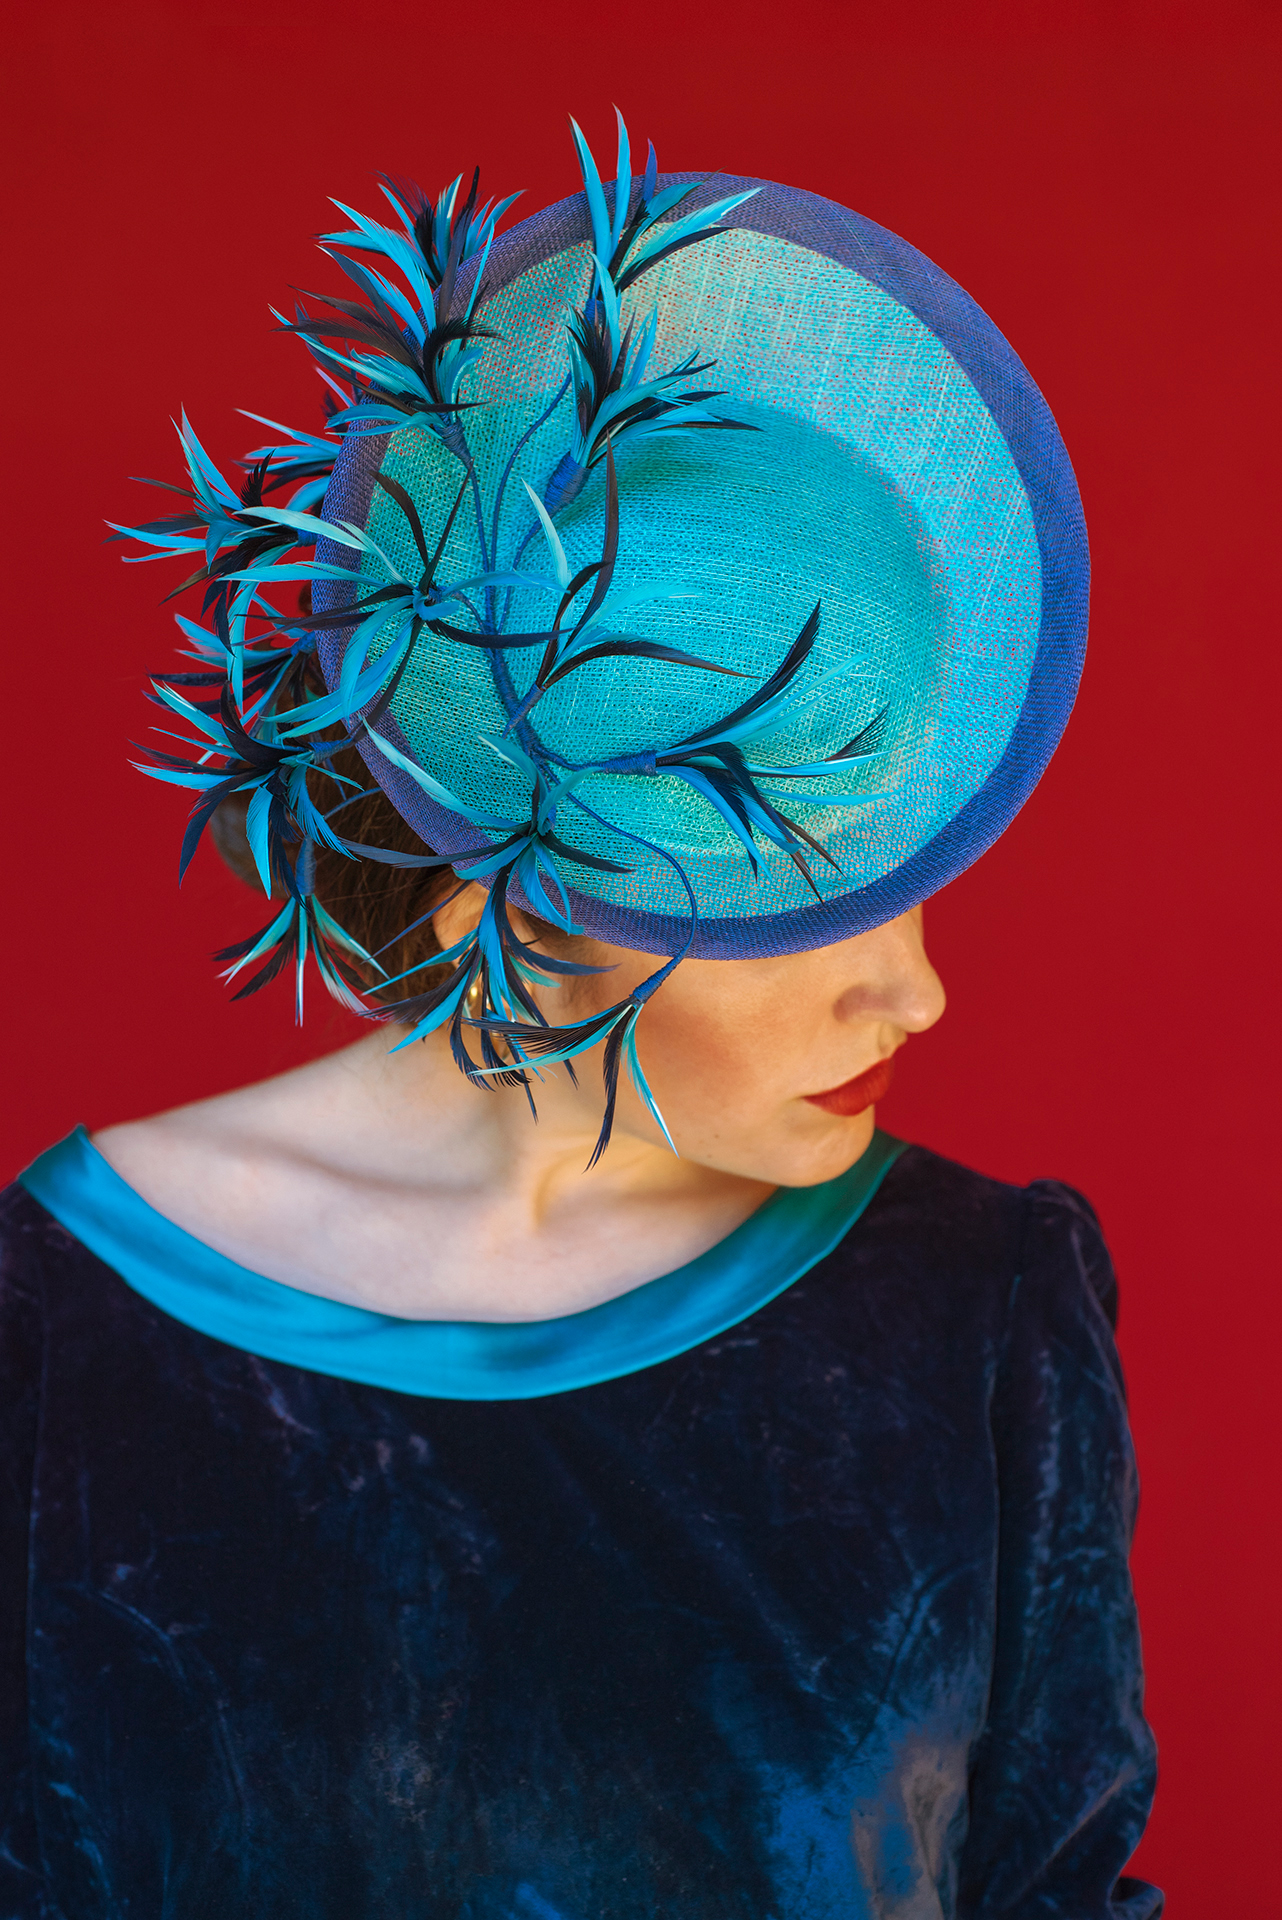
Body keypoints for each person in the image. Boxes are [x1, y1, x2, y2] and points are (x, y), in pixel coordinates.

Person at [0, 111, 1162, 1918]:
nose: (917, 990)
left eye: (910, 871)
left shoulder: (981, 1313)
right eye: (801, 912)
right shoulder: (53, 1342)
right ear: (522, 922)